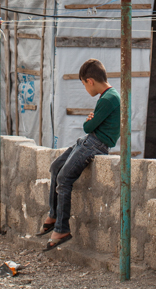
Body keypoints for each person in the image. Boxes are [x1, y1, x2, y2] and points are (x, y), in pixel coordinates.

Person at [41, 58, 120, 250]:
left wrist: (90, 121)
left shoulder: (109, 99)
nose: (86, 89)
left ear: (90, 81)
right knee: (56, 167)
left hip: (95, 144)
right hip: (89, 141)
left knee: (64, 178)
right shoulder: (107, 97)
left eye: (84, 85)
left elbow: (88, 126)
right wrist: (91, 122)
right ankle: (53, 215)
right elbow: (90, 126)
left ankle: (61, 229)